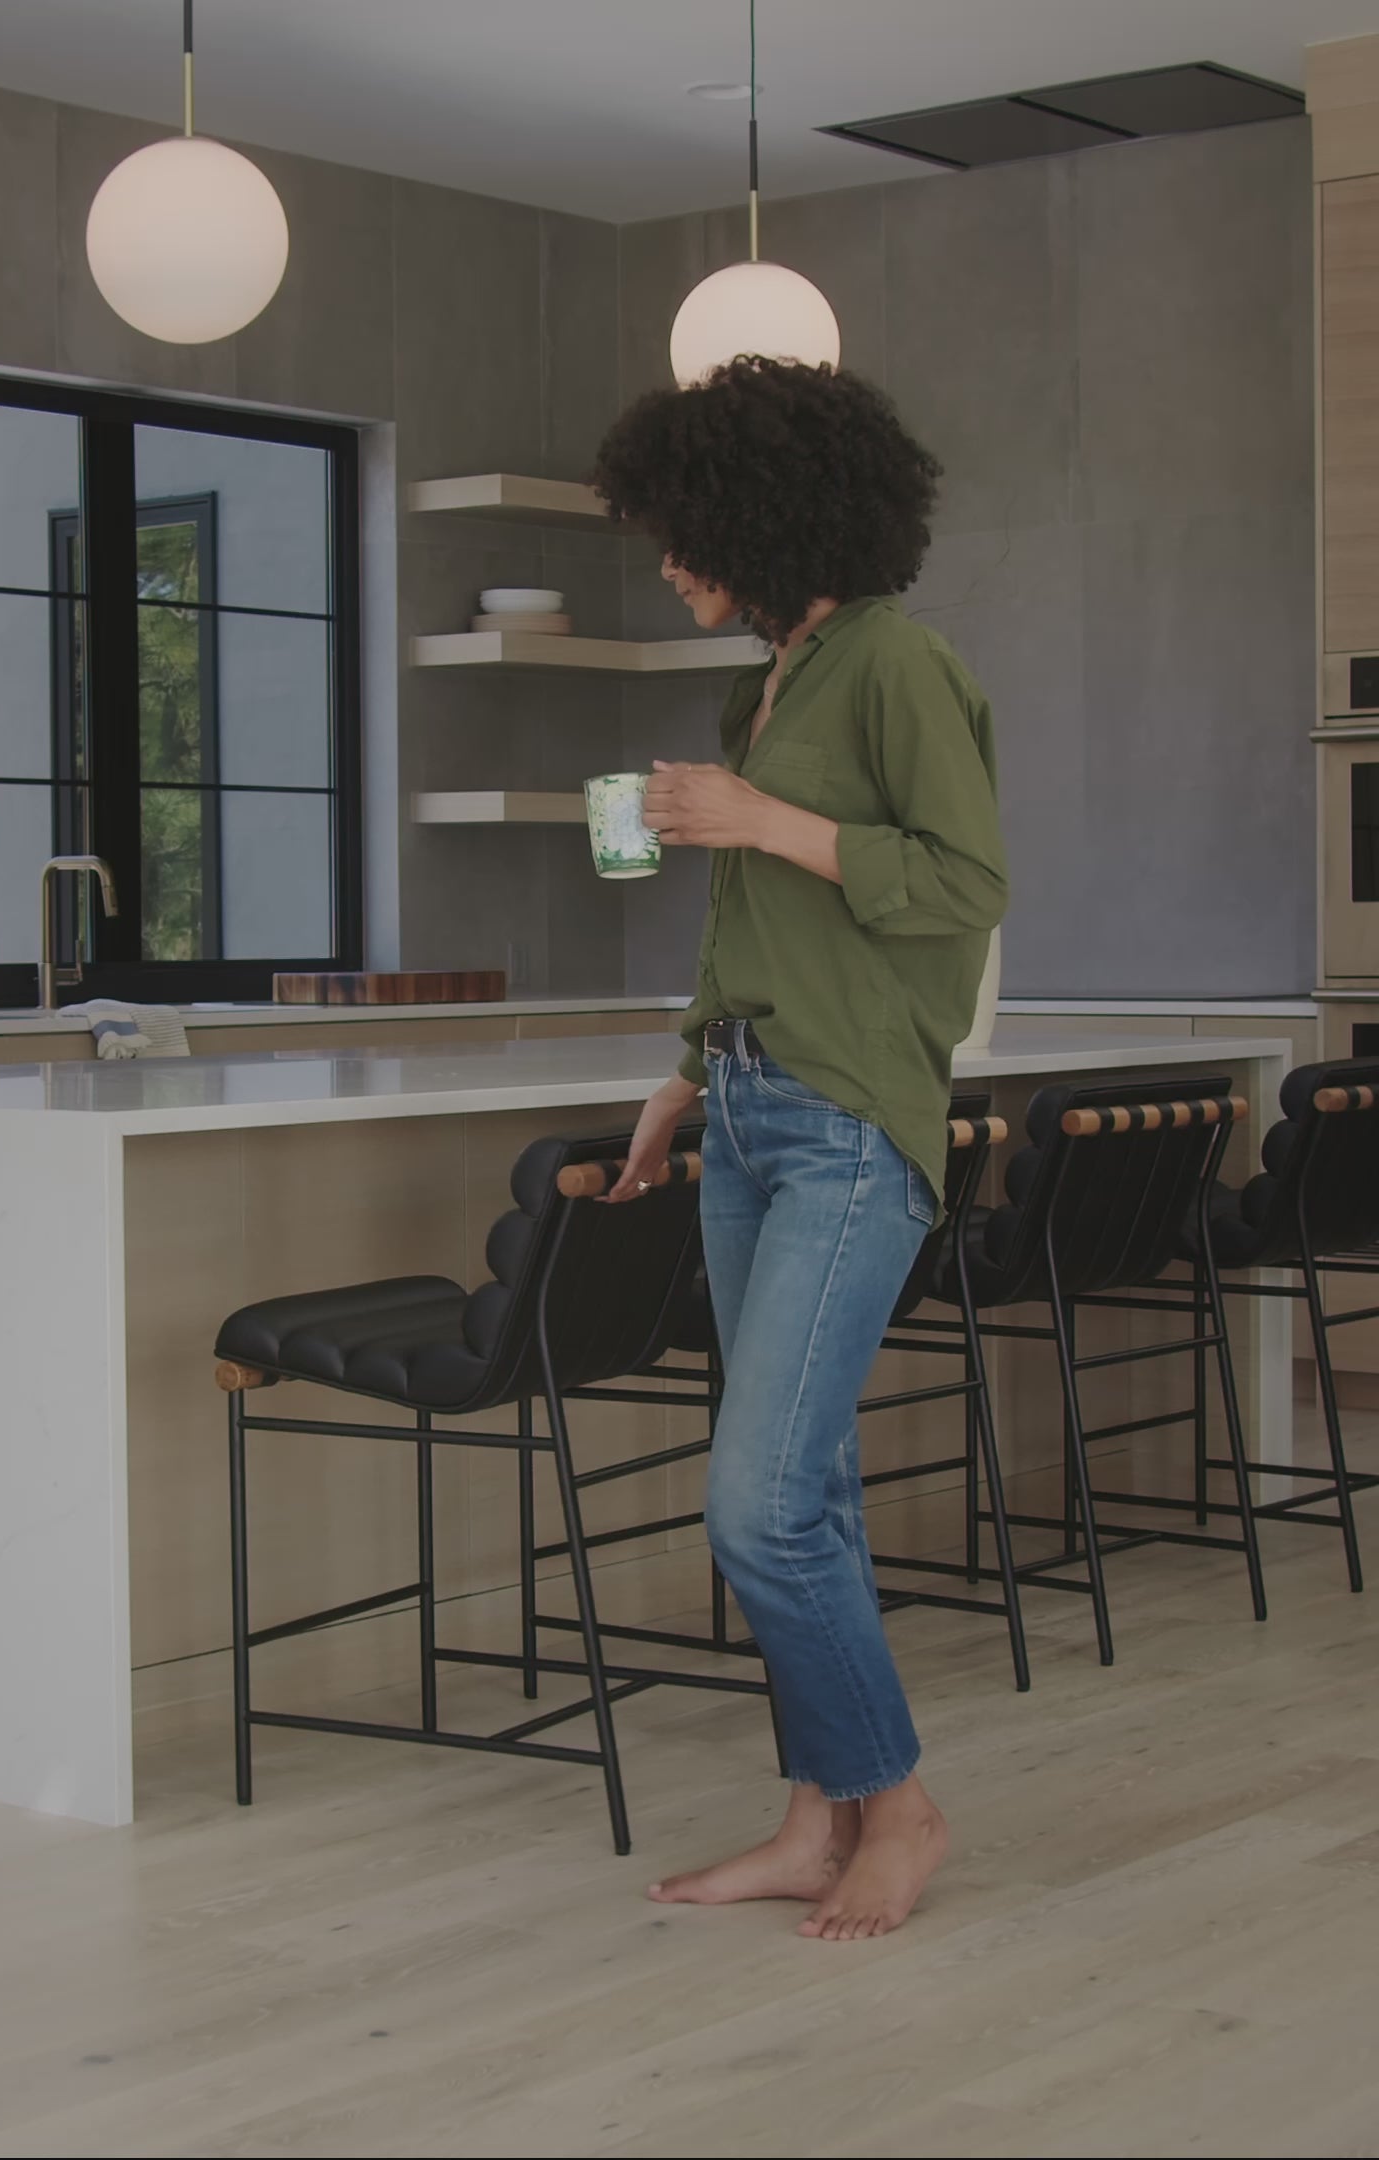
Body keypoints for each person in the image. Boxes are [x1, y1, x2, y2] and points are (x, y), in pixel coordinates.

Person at [590, 357, 1006, 1941]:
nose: (674, 563)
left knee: (756, 1506)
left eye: (685, 532)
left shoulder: (901, 665)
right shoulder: (752, 690)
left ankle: (898, 1809)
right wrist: (684, 1076)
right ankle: (812, 1824)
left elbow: (964, 884)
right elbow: (744, 918)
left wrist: (762, 818)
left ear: (761, 516)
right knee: (807, 1491)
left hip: (848, 1122)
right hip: (753, 1111)